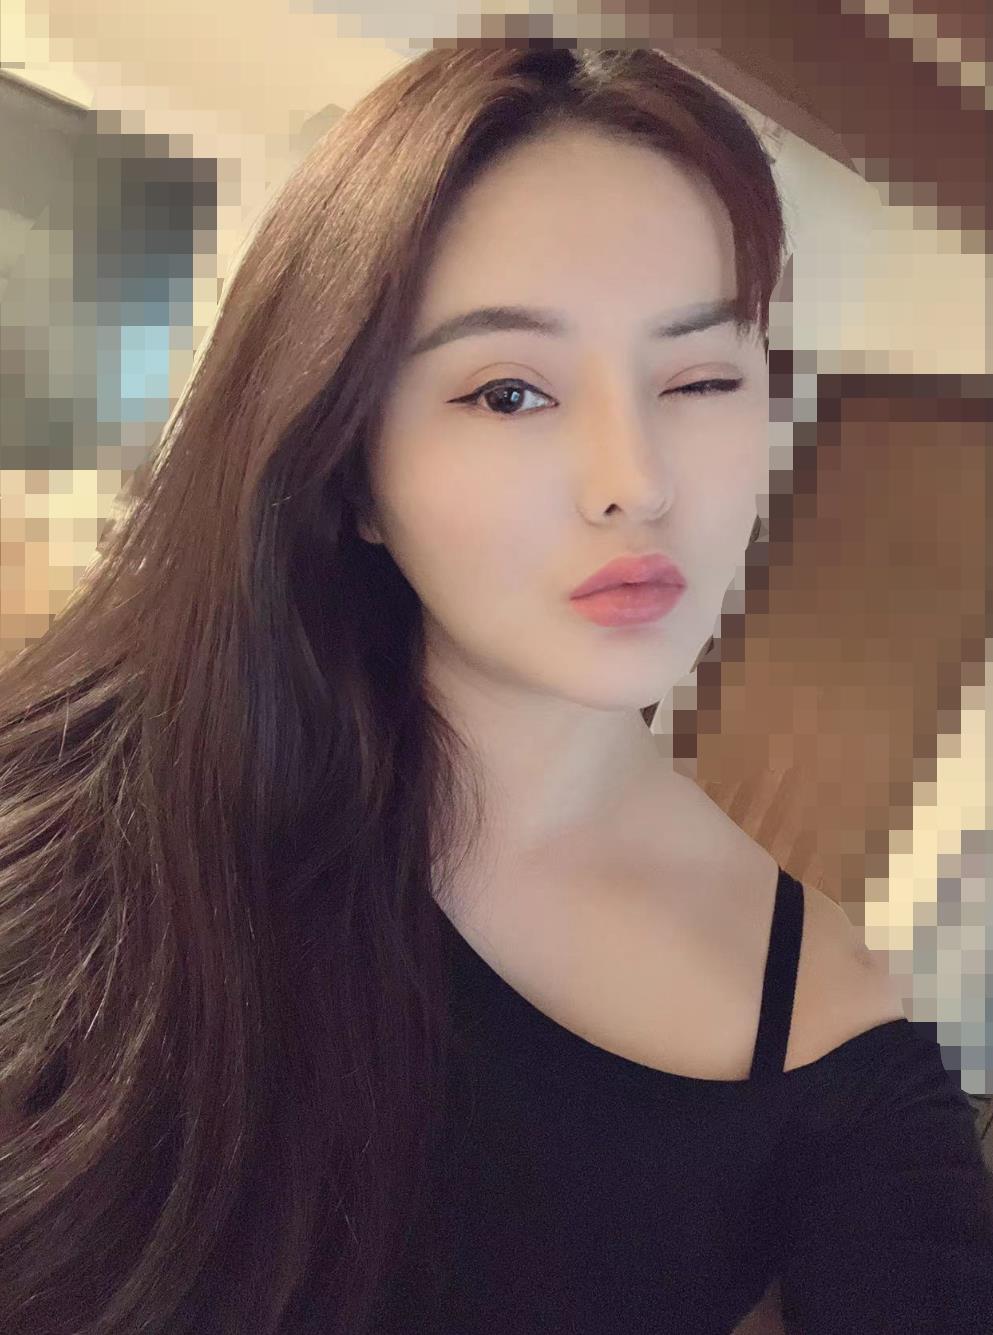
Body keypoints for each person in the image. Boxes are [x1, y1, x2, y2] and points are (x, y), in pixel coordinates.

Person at [0, 45, 989, 1335]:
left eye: (700, 378)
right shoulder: (66, 800)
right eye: (509, 392)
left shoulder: (833, 1042)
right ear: (350, 471)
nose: (635, 483)